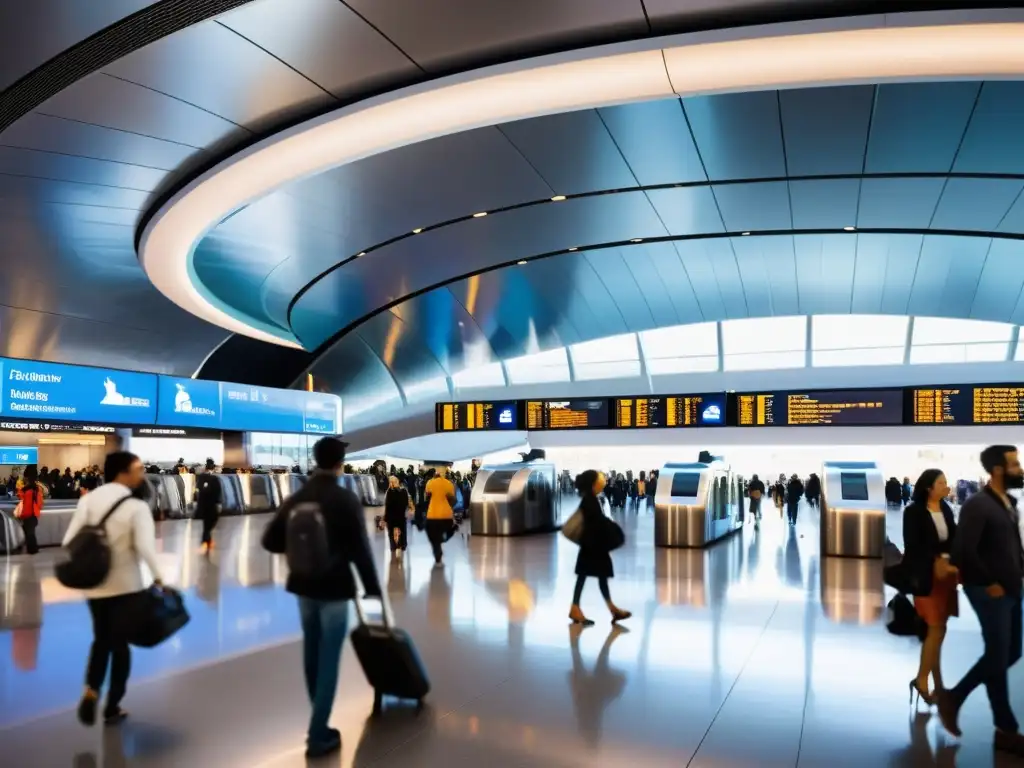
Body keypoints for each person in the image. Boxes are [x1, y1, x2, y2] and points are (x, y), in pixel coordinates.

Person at [261, 437, 382, 758]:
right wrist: (373, 589)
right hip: (334, 589)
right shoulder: (344, 499)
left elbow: (269, 541)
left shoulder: (298, 496)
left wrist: (299, 548)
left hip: (303, 588)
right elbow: (361, 552)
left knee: (312, 654)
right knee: (329, 658)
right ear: (340, 464)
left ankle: (320, 721)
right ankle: (317, 734)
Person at [63, 451, 164, 727]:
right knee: (120, 647)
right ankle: (112, 706)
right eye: (138, 469)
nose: (142, 474)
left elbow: (70, 539)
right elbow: (145, 548)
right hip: (127, 587)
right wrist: (160, 578)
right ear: (123, 472)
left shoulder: (89, 500)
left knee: (101, 641)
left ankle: (90, 690)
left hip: (95, 587)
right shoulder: (136, 507)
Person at [938, 445, 1024, 756]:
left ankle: (957, 699)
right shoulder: (978, 505)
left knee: (1008, 653)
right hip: (989, 591)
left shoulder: (1008, 502)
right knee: (999, 654)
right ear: (998, 469)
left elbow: (1012, 547)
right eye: (1015, 464)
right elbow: (963, 552)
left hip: (1012, 589)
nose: (1020, 468)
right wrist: (990, 583)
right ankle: (1006, 729)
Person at [902, 469, 958, 706]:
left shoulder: (944, 508)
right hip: (926, 576)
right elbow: (913, 546)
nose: (946, 486)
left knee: (939, 630)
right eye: (942, 482)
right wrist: (937, 557)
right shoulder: (913, 512)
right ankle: (923, 680)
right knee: (934, 628)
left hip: (945, 577)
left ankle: (933, 678)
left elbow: (953, 538)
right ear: (928, 487)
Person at [569, 471, 631, 626]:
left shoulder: (589, 499)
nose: (602, 484)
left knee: (589, 577)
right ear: (592, 484)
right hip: (593, 546)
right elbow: (597, 521)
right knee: (596, 576)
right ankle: (609, 609)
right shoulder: (590, 501)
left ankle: (580, 608)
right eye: (599, 482)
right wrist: (613, 530)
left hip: (590, 545)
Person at [424, 467, 456, 566]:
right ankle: (447, 535)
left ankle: (438, 556)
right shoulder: (449, 484)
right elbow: (453, 500)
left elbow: (427, 497)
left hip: (433, 515)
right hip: (446, 515)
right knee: (444, 532)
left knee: (434, 538)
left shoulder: (429, 483)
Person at [16, 465, 45, 555]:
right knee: (29, 531)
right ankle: (31, 548)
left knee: (29, 532)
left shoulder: (24, 489)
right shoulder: (37, 489)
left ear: (27, 477)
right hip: (33, 513)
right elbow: (40, 503)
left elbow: (20, 496)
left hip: (26, 514)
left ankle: (32, 549)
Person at [195, 459, 221, 554]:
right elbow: (218, 492)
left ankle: (206, 541)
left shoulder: (201, 478)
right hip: (211, 505)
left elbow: (198, 490)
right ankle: (206, 541)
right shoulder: (215, 479)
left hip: (203, 504)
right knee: (209, 524)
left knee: (206, 525)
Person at [384, 475, 411, 557]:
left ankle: (393, 546)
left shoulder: (389, 492)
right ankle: (403, 544)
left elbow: (388, 505)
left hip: (391, 517)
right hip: (401, 516)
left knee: (390, 532)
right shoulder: (404, 491)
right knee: (403, 530)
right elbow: (406, 504)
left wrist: (385, 517)